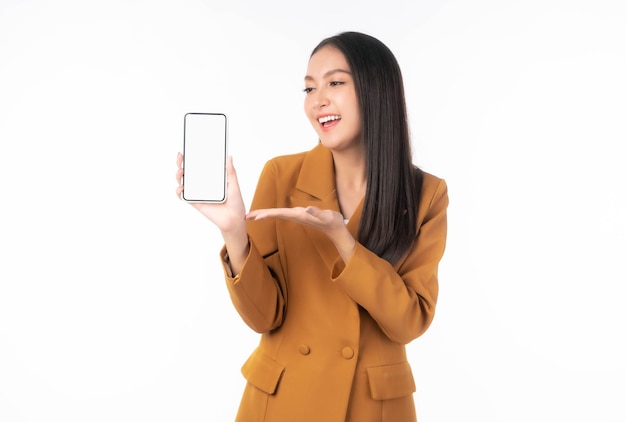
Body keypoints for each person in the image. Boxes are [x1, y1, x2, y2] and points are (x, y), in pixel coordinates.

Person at [176, 31, 448, 422]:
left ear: (377, 91)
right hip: (285, 402)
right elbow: (264, 317)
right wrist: (234, 233)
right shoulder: (282, 175)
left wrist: (343, 240)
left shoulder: (426, 194)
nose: (317, 100)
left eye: (335, 83)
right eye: (308, 88)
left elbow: (409, 321)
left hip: (371, 408)